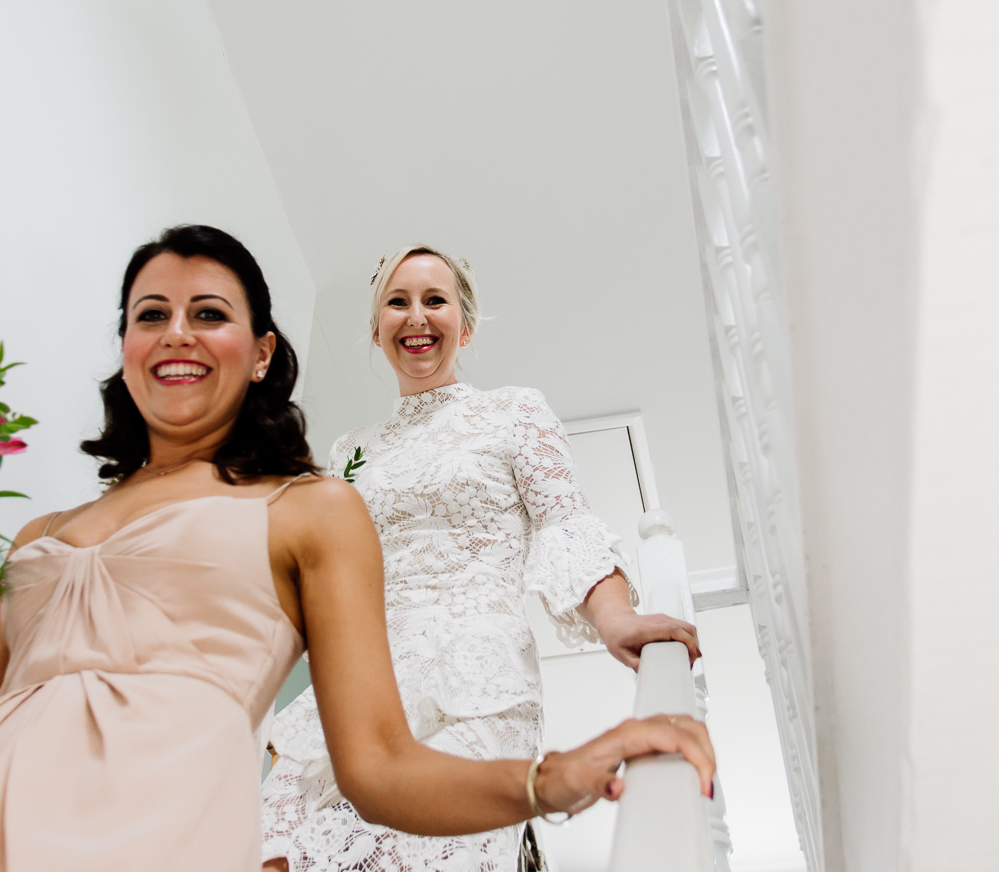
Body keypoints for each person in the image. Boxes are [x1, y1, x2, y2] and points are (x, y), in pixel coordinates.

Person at [0, 226, 715, 871]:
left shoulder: (316, 500)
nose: (175, 331)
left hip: (223, 797)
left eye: (208, 312)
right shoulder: (41, 537)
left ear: (259, 352)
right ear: (125, 347)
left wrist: (607, 639)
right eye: (149, 313)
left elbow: (560, 523)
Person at [261, 246, 702, 872]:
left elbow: (562, 521)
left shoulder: (513, 411)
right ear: (376, 329)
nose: (416, 316)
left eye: (435, 300)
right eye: (398, 301)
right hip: (358, 688)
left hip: (474, 676)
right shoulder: (349, 449)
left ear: (464, 327)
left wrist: (616, 618)